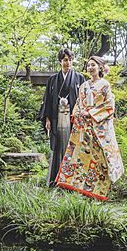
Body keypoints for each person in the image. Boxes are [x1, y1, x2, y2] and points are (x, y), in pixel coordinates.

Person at [55, 56, 124, 201]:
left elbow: (109, 105)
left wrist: (91, 113)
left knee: (101, 156)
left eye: (93, 65)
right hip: (84, 126)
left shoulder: (105, 85)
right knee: (84, 155)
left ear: (100, 68)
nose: (90, 68)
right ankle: (82, 187)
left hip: (99, 126)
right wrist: (78, 113)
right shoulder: (84, 85)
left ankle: (102, 189)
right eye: (88, 65)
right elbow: (79, 103)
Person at [40, 48, 86, 187]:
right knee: (58, 146)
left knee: (72, 147)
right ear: (60, 61)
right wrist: (47, 119)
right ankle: (55, 179)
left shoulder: (79, 78)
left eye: (70, 60)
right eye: (65, 60)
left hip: (73, 118)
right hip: (56, 118)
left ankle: (71, 182)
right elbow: (47, 100)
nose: (68, 63)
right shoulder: (53, 79)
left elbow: (84, 100)